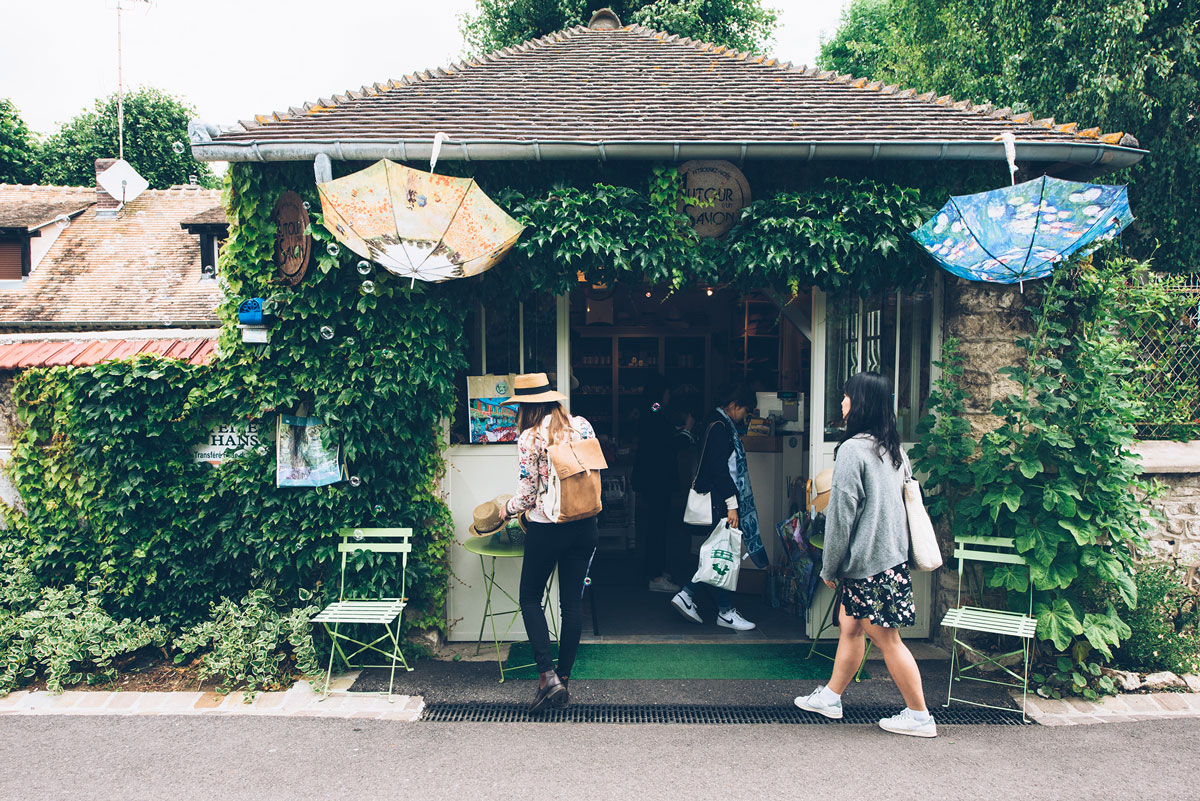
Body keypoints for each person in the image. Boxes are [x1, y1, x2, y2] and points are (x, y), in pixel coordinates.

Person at [793, 371, 936, 738]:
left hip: (869, 563)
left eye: (846, 396)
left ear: (860, 403)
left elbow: (842, 517)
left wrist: (830, 564)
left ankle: (919, 715)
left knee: (886, 638)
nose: (842, 402)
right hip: (889, 558)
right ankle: (830, 697)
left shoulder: (853, 450)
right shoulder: (892, 448)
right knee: (851, 625)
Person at [498, 372, 599, 713]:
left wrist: (505, 509)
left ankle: (546, 676)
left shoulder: (529, 438)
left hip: (548, 527)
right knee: (571, 605)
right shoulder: (582, 424)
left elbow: (526, 496)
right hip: (585, 524)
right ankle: (564, 681)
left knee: (529, 597)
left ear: (527, 407)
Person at [670, 384, 767, 632]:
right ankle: (714, 606)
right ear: (734, 406)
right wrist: (732, 504)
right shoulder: (720, 428)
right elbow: (720, 470)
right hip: (719, 501)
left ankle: (696, 598)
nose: (745, 418)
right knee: (721, 554)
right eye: (745, 411)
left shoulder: (715, 423)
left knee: (719, 552)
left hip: (717, 499)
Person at [631, 373, 680, 594]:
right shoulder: (654, 409)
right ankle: (655, 576)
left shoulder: (649, 410)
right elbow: (658, 417)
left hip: (650, 477)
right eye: (667, 392)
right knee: (658, 527)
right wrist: (684, 429)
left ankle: (654, 570)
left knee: (655, 526)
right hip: (658, 478)